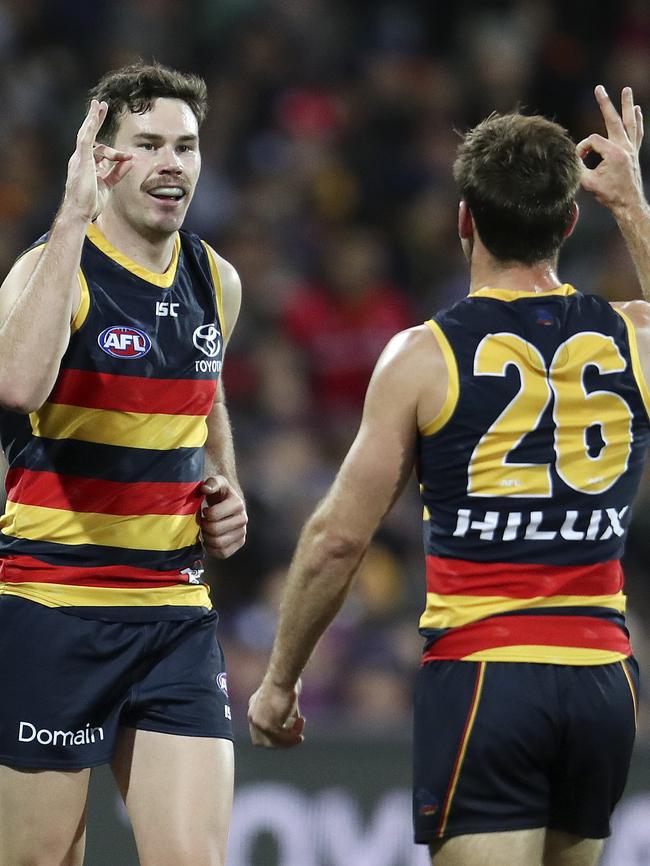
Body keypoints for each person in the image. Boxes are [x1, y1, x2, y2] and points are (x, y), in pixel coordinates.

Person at [248, 85, 650, 866]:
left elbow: (338, 540)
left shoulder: (422, 356)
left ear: (464, 219)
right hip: (603, 675)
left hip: (484, 676)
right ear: (571, 221)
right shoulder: (632, 336)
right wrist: (634, 205)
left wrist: (279, 681)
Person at [0, 62, 247, 866]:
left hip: (173, 613)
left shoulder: (218, 281)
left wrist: (227, 483)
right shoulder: (48, 270)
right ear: (103, 160)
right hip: (51, 606)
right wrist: (71, 221)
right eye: (147, 145)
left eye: (186, 145)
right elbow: (17, 382)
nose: (172, 163)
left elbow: (205, 395)